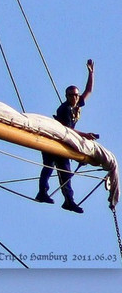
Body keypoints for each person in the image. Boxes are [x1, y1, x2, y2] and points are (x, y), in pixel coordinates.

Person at [38, 60, 96, 213]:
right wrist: (86, 135)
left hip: (62, 140)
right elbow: (68, 130)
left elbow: (88, 91)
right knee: (49, 167)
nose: (75, 97)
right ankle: (42, 193)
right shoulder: (64, 109)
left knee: (65, 173)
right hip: (54, 139)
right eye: (72, 95)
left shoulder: (76, 105)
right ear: (67, 96)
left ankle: (68, 201)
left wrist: (91, 73)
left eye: (76, 95)